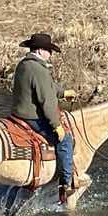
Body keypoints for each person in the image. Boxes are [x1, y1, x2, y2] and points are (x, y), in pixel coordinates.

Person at [11, 33, 78, 201]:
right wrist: (56, 126)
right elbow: (47, 102)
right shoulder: (38, 69)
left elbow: (47, 86)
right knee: (66, 140)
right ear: (41, 50)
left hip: (18, 114)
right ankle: (66, 183)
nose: (51, 54)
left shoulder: (25, 65)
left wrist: (62, 92)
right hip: (32, 117)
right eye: (49, 50)